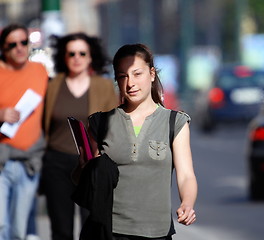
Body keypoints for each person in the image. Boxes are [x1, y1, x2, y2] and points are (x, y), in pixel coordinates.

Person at [74, 43, 198, 240]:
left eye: (137, 74)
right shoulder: (100, 123)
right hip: (109, 232)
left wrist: (187, 203)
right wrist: (83, 167)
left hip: (157, 232)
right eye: (123, 76)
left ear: (151, 74)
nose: (130, 83)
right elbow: (88, 181)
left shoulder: (176, 122)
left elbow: (186, 175)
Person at [41, 32, 119, 240]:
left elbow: (113, 126)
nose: (77, 58)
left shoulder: (103, 87)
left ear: (90, 56)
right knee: (61, 230)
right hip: (56, 164)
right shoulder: (52, 85)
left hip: (91, 165)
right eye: (71, 53)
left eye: (82, 53)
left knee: (92, 227)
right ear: (64, 57)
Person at [0, 23, 48, 240]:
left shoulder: (40, 71)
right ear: (3, 48)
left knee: (19, 229)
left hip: (30, 161)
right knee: (1, 225)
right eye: (12, 44)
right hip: (1, 161)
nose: (19, 48)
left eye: (24, 42)